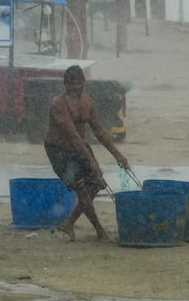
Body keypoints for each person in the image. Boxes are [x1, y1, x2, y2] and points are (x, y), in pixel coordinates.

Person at [44, 65, 131, 242]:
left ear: (84, 83)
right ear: (65, 84)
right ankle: (100, 231)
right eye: (72, 84)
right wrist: (93, 163)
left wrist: (118, 156)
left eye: (79, 83)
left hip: (78, 147)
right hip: (59, 150)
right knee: (81, 190)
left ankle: (68, 224)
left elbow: (99, 131)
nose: (76, 87)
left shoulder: (87, 102)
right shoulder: (58, 105)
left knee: (96, 184)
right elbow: (73, 135)